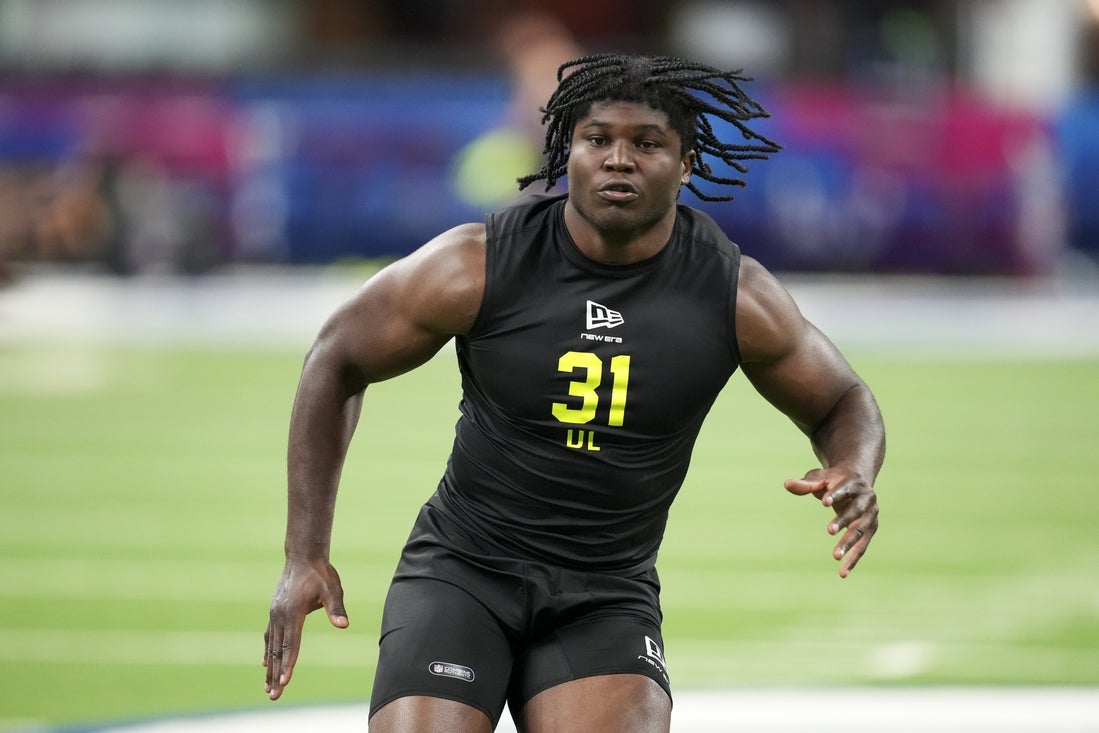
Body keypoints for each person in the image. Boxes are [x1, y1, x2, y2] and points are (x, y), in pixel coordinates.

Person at [263, 53, 884, 733]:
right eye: (597, 140)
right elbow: (336, 358)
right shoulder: (477, 264)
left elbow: (840, 398)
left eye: (646, 143)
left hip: (605, 593)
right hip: (463, 571)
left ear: (685, 162)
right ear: (565, 151)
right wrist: (303, 553)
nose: (618, 159)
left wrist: (853, 465)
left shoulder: (731, 293)